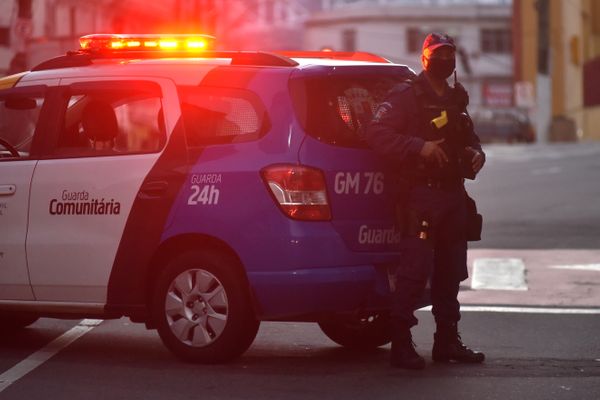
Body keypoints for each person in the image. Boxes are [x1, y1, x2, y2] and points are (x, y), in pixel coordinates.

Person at [365, 33, 486, 369]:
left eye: (449, 54)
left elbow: (470, 137)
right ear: (424, 58)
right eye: (438, 54)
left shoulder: (455, 98)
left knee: (451, 272)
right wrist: (419, 147)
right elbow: (376, 134)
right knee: (414, 271)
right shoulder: (405, 96)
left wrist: (476, 154)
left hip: (452, 195)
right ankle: (401, 345)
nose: (445, 59)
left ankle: (447, 342)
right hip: (419, 195)